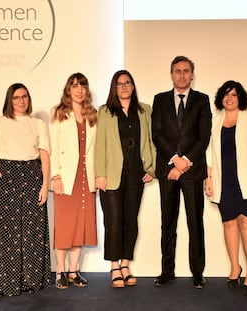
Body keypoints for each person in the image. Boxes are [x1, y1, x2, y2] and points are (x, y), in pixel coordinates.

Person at [0, 83, 51, 297]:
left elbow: (45, 155)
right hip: (8, 175)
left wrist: (45, 184)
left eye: (25, 97)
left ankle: (30, 280)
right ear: (9, 100)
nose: (21, 101)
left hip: (32, 174)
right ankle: (2, 283)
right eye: (17, 97)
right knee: (6, 232)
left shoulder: (37, 124)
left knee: (32, 230)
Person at [151, 56, 212, 289]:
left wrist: (185, 161)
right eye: (178, 71)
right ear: (171, 74)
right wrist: (175, 160)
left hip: (193, 171)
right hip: (167, 169)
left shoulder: (202, 100)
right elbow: (157, 134)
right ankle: (167, 271)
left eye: (186, 71)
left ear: (192, 74)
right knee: (168, 221)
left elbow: (203, 136)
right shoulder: (159, 100)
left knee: (195, 221)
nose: (182, 75)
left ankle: (198, 272)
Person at [204, 80, 247, 295]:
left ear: (241, 98)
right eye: (226, 95)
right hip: (225, 179)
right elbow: (210, 152)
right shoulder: (216, 120)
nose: (229, 98)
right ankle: (234, 267)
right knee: (229, 223)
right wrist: (209, 177)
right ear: (221, 98)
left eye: (234, 95)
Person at [95, 70, 156, 288]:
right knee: (114, 220)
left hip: (136, 171)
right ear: (114, 87)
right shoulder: (105, 112)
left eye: (127, 83)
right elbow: (99, 144)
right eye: (119, 83)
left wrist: (152, 167)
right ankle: (114, 266)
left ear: (133, 85)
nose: (124, 87)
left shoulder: (145, 110)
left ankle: (126, 264)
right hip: (112, 173)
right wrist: (99, 173)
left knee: (131, 219)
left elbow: (152, 141)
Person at [49, 73, 98, 289]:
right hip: (67, 178)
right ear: (68, 89)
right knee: (65, 225)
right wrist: (55, 175)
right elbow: (52, 147)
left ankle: (73, 271)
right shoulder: (59, 113)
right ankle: (59, 271)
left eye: (82, 86)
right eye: (75, 86)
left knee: (82, 225)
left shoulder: (93, 115)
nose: (79, 90)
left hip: (87, 178)